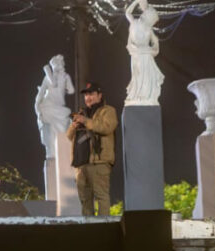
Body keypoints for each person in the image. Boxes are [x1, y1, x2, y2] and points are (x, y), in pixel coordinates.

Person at [66, 82, 118, 216]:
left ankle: (104, 227)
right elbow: (68, 137)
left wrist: (85, 121)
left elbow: (106, 128)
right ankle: (89, 227)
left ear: (100, 95)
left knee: (101, 197)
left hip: (98, 162)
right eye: (86, 95)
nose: (88, 97)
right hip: (81, 164)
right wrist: (73, 126)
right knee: (85, 201)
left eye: (91, 94)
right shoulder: (82, 113)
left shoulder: (108, 111)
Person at [124, 0, 164, 105]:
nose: (144, 15)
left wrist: (151, 50)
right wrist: (136, 2)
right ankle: (138, 96)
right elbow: (127, 13)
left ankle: (146, 97)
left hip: (145, 55)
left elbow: (156, 44)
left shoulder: (148, 29)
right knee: (138, 76)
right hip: (137, 54)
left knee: (146, 77)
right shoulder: (135, 23)